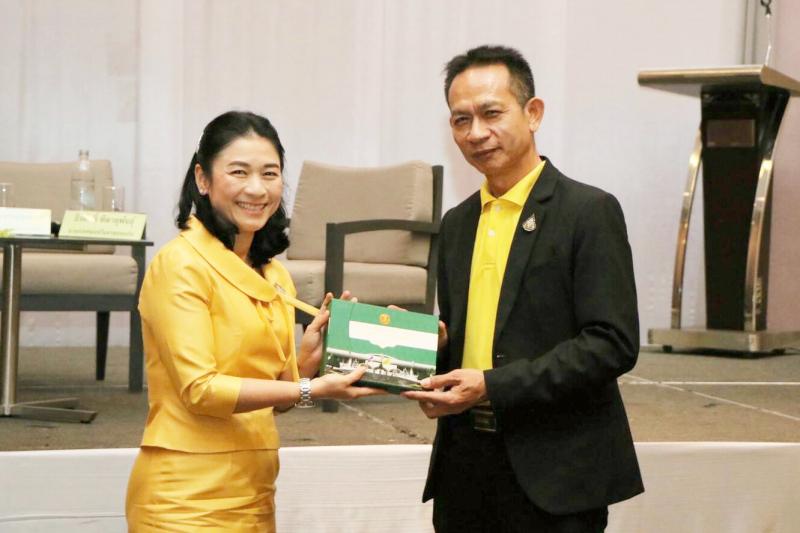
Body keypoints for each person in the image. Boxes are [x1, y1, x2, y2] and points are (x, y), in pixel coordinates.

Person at [403, 45, 644, 532]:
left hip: (555, 474)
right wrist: (433, 352)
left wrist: (492, 386)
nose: (476, 133)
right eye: (461, 120)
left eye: (491, 113)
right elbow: (475, 335)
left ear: (533, 113)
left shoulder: (587, 212)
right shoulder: (458, 223)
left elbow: (611, 344)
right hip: (465, 468)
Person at [126, 110, 380, 531]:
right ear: (203, 179)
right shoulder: (181, 264)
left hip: (255, 491)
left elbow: (276, 397)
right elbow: (200, 390)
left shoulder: (273, 274)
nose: (257, 189)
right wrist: (311, 388)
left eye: (270, 173)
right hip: (184, 497)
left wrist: (307, 362)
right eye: (239, 172)